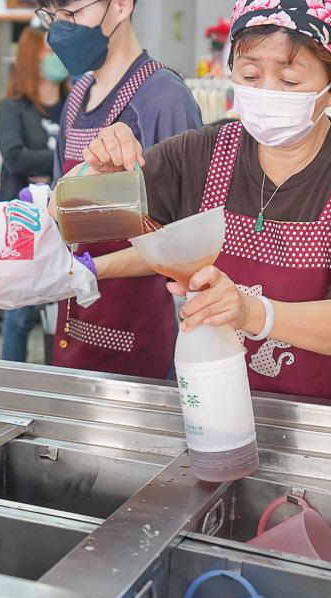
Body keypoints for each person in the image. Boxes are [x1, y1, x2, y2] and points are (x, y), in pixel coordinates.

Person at [50, 0, 331, 404]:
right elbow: (70, 216)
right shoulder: (206, 152)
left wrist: (251, 312)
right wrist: (99, 169)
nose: (266, 92)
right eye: (250, 74)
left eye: (289, 81)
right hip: (214, 403)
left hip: (320, 414)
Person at [37, 0, 203, 380]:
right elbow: (57, 207)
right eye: (52, 16)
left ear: (122, 5)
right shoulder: (77, 95)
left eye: (71, 12)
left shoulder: (163, 98)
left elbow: (185, 241)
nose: (61, 26)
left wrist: (91, 269)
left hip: (140, 334)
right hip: (74, 319)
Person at [0, 27, 70, 363]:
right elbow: (14, 157)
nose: (58, 56)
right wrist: (66, 155)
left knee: (66, 307)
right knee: (19, 312)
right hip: (23, 219)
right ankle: (10, 381)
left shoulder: (76, 102)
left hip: (68, 217)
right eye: (48, 50)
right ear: (31, 57)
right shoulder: (14, 107)